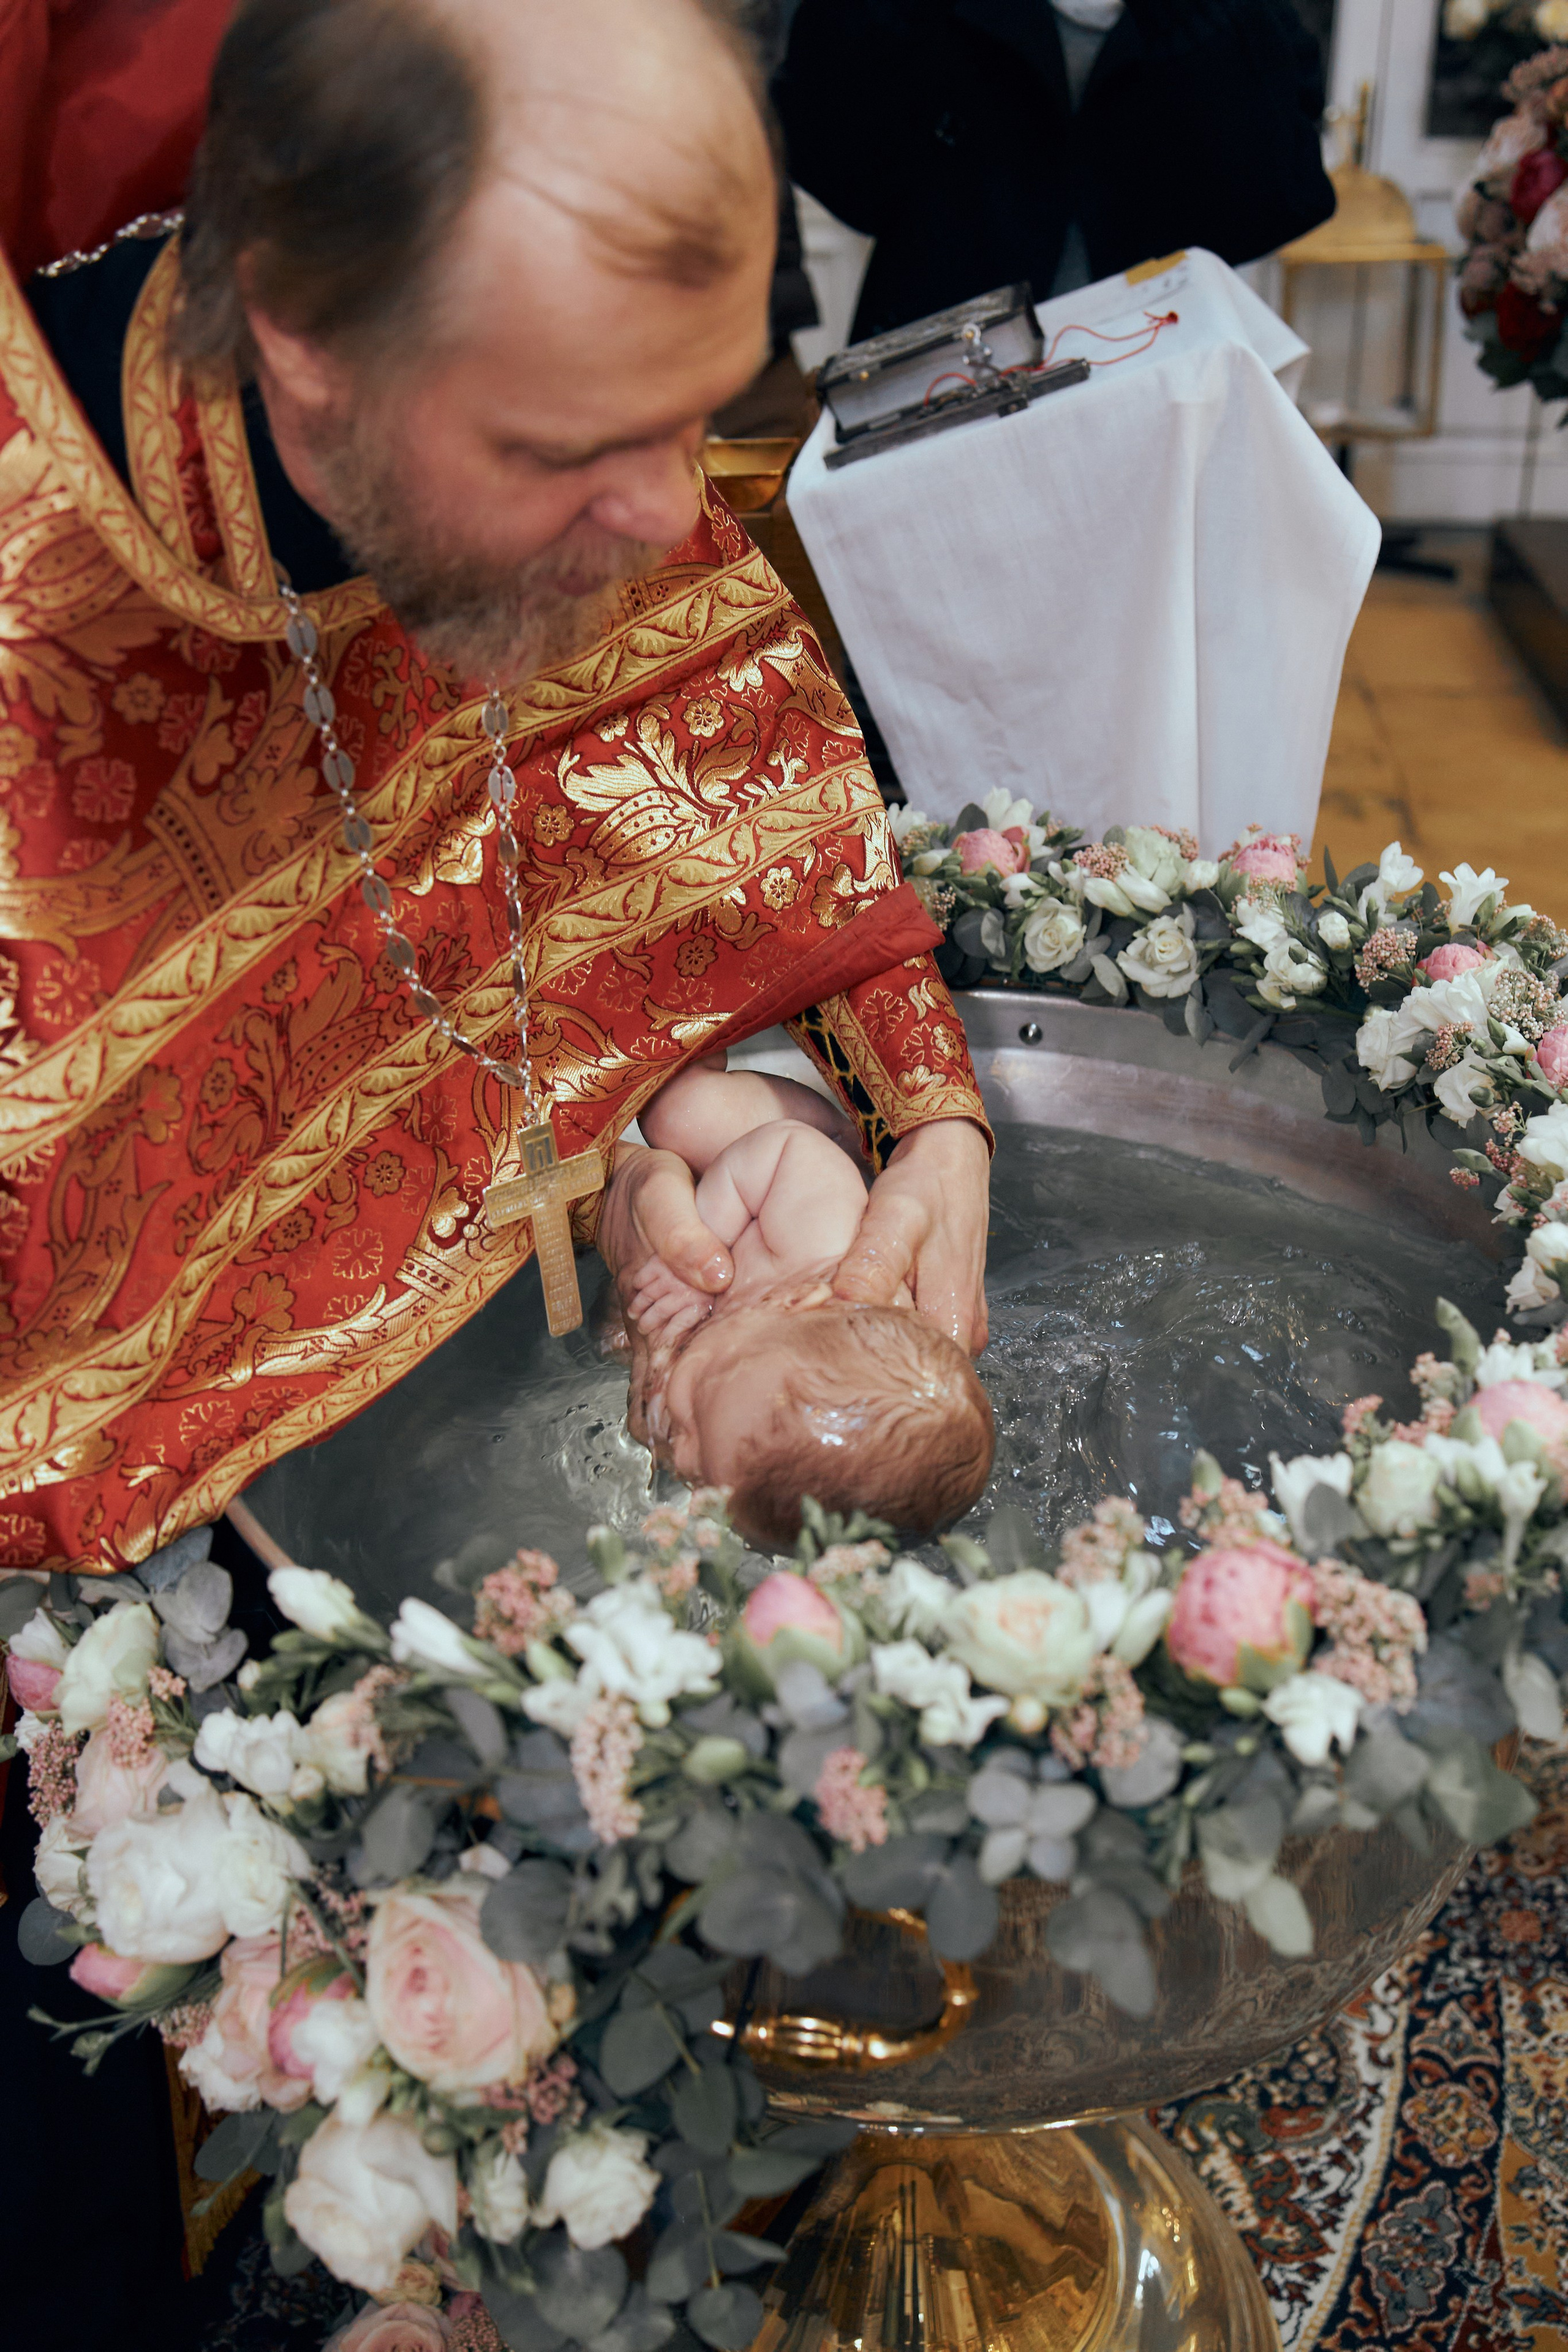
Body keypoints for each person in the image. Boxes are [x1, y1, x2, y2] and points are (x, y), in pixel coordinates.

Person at [0, 0, 993, 1580]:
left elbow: (751, 856)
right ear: (300, 338)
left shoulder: (563, 399)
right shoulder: (36, 599)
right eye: (566, 446)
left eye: (699, 411)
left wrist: (904, 1127)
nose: (674, 508)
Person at [772, 0, 1336, 340]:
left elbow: (1281, 195)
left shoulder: (1233, 20)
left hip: (1154, 374)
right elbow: (837, 164)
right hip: (942, 381)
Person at [611, 1051, 995, 1545]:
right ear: (794, 1304)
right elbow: (788, 1151)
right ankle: (702, 1053)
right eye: (696, 1408)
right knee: (680, 1112)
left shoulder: (754, 1372)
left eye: (701, 1476)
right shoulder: (825, 1247)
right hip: (774, 1161)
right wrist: (694, 1255)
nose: (681, 1458)